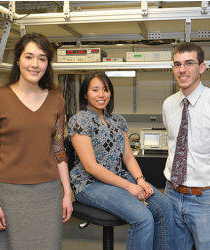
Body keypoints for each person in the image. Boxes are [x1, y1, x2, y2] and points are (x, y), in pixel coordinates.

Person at [0, 33, 73, 250]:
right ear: (18, 60)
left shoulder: (56, 100)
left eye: (42, 58)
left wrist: (67, 194)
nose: (35, 64)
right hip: (9, 195)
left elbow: (60, 152)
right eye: (29, 57)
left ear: (48, 64)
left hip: (48, 194)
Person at [68, 72, 175, 250]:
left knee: (165, 208)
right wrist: (130, 186)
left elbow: (128, 156)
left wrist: (141, 180)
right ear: (85, 94)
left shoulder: (118, 120)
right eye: (95, 90)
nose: (102, 95)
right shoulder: (79, 121)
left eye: (106, 89)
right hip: (90, 184)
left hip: (119, 177)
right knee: (142, 217)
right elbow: (91, 167)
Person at [163, 42, 210, 250]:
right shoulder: (168, 104)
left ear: (202, 67)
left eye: (189, 63)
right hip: (172, 195)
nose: (182, 70)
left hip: (207, 200)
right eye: (177, 64)